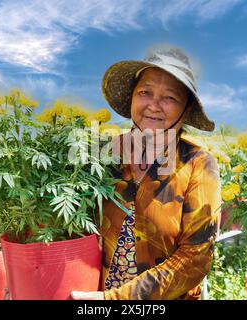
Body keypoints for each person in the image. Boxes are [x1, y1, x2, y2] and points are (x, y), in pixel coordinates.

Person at [71, 45, 221, 300]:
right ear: (132, 99)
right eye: (145, 92)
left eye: (170, 98)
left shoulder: (199, 164)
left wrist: (115, 300)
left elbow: (195, 259)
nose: (154, 105)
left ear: (185, 111)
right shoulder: (103, 155)